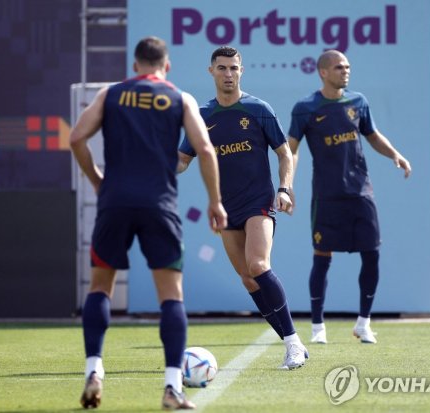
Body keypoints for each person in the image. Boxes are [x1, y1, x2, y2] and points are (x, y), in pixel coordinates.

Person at [70, 36, 227, 410]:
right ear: (166, 66)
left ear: (135, 66)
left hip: (115, 201)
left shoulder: (111, 94)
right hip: (159, 204)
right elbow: (204, 150)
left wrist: (96, 179)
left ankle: (94, 370)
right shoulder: (180, 98)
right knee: (171, 296)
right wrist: (215, 202)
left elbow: (77, 138)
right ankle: (172, 388)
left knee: (100, 288)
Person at [177, 46, 308, 370]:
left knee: (258, 264)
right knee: (248, 280)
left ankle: (292, 343)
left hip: (258, 203)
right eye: (222, 68)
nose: (228, 74)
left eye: (233, 68)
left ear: (241, 71)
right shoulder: (203, 115)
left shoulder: (258, 109)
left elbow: (283, 153)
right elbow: (182, 160)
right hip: (225, 209)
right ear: (211, 72)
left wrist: (285, 189)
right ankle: (293, 344)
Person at [287, 50, 411, 345]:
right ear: (323, 72)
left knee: (372, 254)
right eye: (339, 67)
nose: (346, 71)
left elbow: (372, 135)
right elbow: (291, 148)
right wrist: (287, 183)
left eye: (348, 66)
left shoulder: (358, 102)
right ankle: (318, 328)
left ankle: (363, 323)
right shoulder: (305, 108)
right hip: (327, 197)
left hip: (360, 193)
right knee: (322, 257)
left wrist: (395, 154)